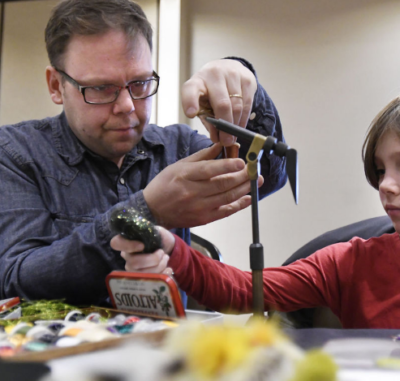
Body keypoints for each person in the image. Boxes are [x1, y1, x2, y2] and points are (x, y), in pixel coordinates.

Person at [0, 0, 286, 305]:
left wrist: (245, 91)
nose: (126, 105)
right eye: (101, 88)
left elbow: (268, 175)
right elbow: (15, 279)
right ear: (56, 85)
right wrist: (148, 212)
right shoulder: (15, 153)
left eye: (139, 83)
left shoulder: (176, 147)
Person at [112, 96, 400, 329]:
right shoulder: (351, 263)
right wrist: (172, 248)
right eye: (380, 170)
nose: (385, 184)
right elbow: (244, 290)